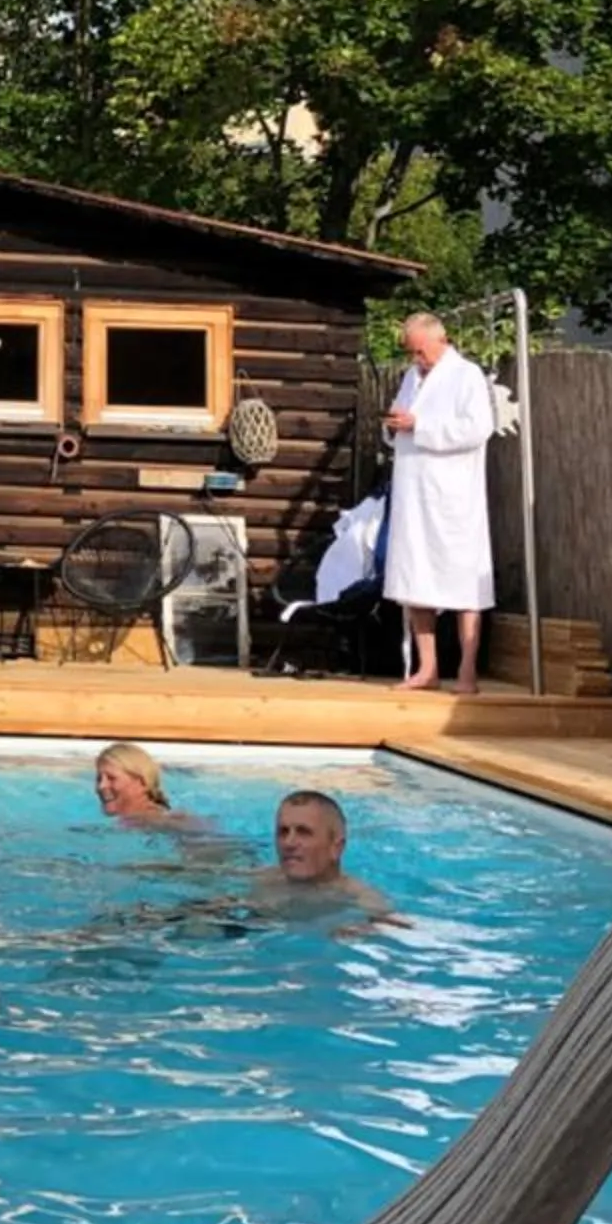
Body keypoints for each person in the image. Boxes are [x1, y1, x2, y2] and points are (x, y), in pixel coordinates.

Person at [382, 311, 496, 695]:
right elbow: (403, 419)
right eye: (412, 354)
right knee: (416, 578)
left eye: (420, 352)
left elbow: (478, 429)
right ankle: (427, 668)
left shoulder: (467, 376)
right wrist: (395, 424)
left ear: (440, 341)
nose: (416, 360)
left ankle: (466, 671)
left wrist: (420, 426)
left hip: (453, 497)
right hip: (414, 492)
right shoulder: (412, 378)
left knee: (464, 580)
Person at [254, 788, 396, 926]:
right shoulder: (262, 879)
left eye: (304, 832)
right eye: (283, 832)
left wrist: (363, 930)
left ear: (336, 848)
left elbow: (392, 926)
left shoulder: (359, 897)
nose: (288, 843)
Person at [91, 743, 235, 853]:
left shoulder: (150, 819)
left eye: (111, 778)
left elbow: (203, 836)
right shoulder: (140, 820)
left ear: (142, 783)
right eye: (99, 779)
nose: (101, 786)